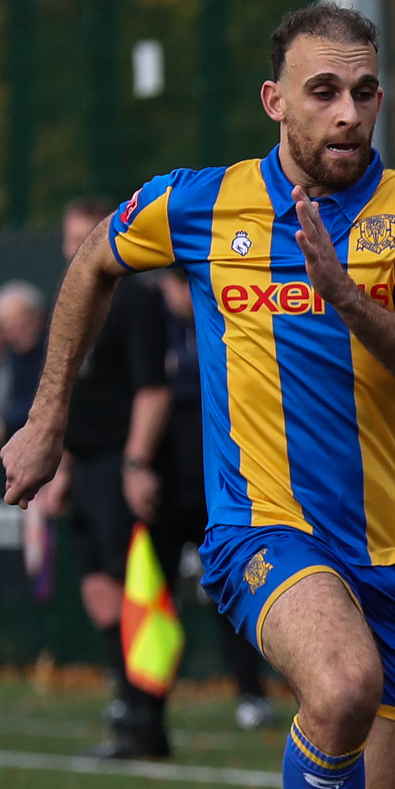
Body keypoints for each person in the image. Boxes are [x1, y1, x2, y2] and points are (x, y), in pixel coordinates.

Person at [1, 2, 395, 789]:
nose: (348, 111)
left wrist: (344, 292)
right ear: (276, 101)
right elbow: (91, 261)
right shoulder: (204, 201)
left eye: (364, 90)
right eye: (323, 91)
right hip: (261, 532)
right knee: (340, 687)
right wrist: (47, 415)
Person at [34, 196, 175, 760]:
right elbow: (64, 395)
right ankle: (126, 705)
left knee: (136, 589)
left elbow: (153, 391)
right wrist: (60, 465)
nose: (74, 251)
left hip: (120, 462)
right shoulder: (71, 302)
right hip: (84, 463)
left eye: (82, 239)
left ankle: (148, 722)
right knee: (97, 591)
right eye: (69, 241)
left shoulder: (135, 301)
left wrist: (136, 464)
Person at [157, 267, 275, 731]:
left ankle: (251, 692)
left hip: (219, 490)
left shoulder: (223, 311)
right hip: (167, 492)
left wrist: (183, 372)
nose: (179, 293)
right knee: (155, 595)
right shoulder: (155, 324)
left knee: (235, 591)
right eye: (173, 284)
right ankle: (146, 696)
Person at [0, 280, 47, 444]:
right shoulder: (10, 355)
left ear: (37, 317)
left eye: (20, 325)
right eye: (7, 328)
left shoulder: (55, 349)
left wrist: (7, 420)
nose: (13, 335)